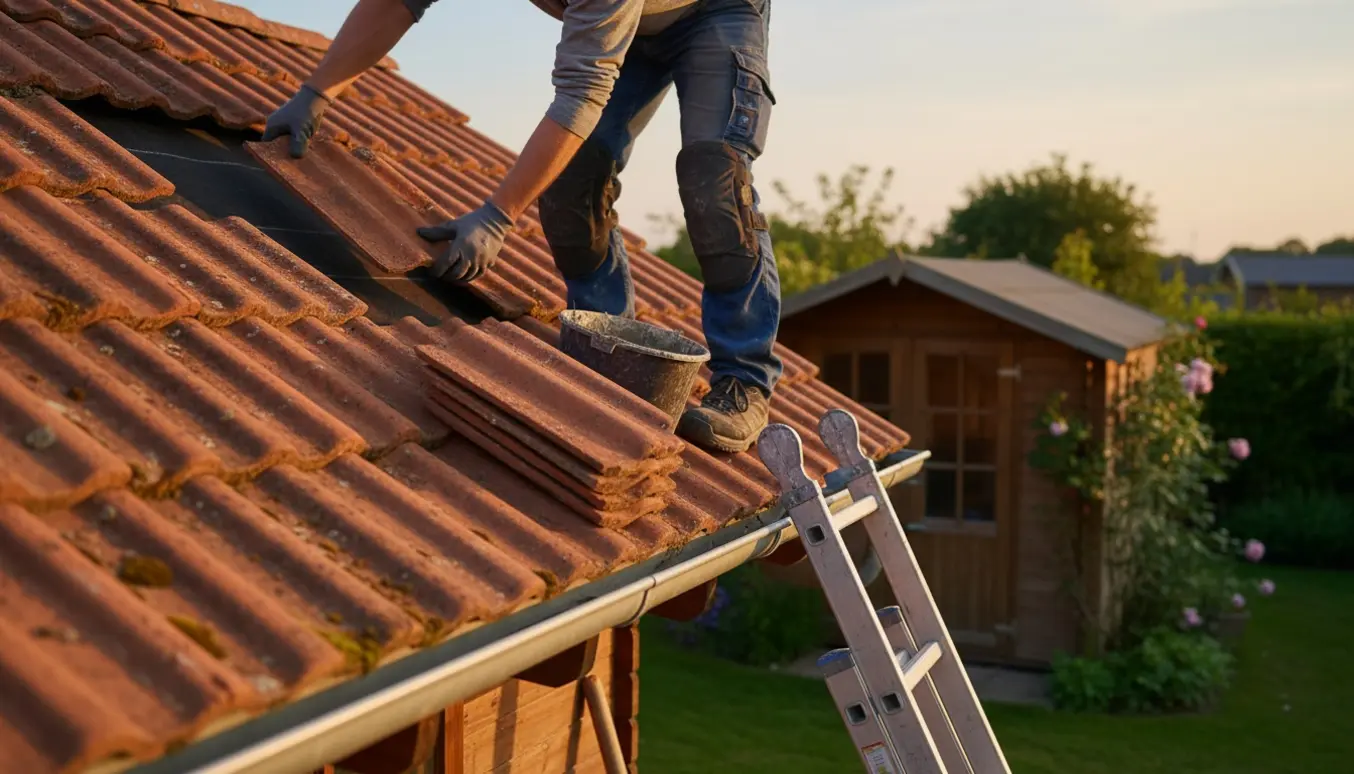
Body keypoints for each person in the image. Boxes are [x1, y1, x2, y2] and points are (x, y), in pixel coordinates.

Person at [264, 0, 783, 453]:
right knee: (571, 180)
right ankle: (606, 345)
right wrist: (315, 92)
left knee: (714, 182)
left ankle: (743, 381)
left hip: (718, 11)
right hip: (633, 18)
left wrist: (496, 216)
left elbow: (581, 91)